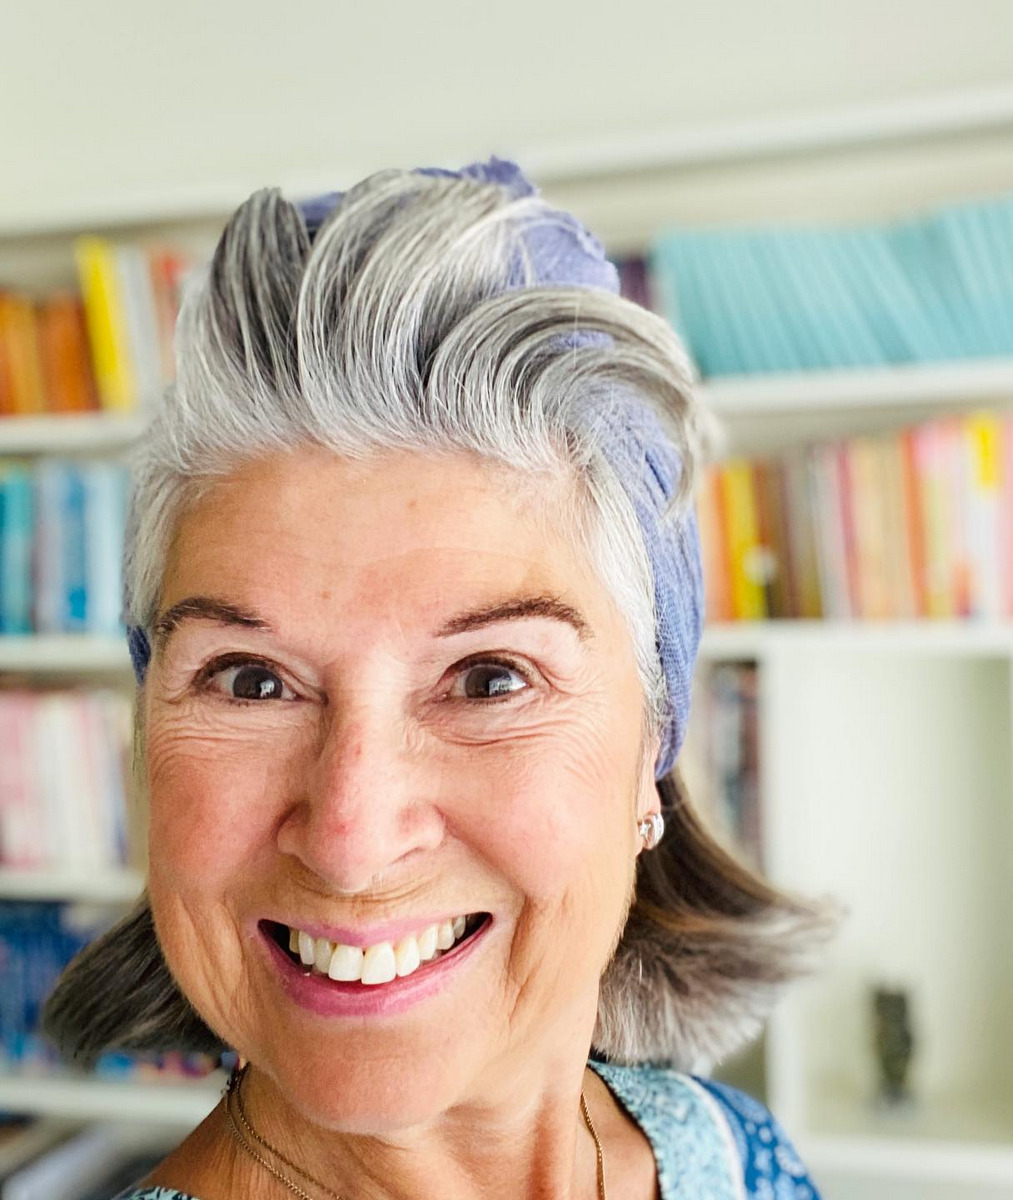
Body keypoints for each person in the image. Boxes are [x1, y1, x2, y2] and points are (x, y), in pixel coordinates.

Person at [44, 157, 837, 1199]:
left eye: (491, 679)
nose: (350, 840)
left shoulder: (732, 1154)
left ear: (652, 747)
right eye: (249, 682)